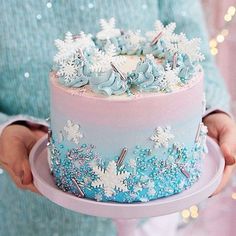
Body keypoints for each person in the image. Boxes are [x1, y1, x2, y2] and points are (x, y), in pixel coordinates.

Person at [0, 1, 235, 235]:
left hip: (152, 222)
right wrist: (5, 129)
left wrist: (211, 111)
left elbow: (195, 56)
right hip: (28, 216)